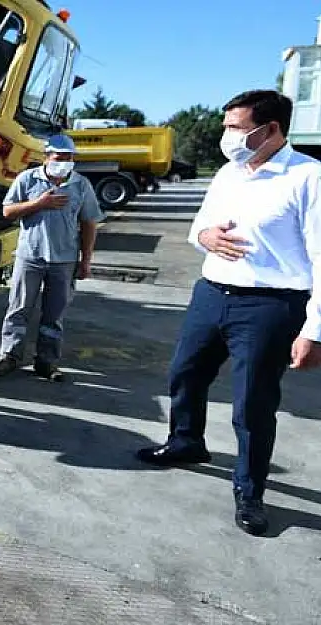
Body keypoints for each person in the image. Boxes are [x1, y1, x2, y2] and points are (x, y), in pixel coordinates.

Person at [136, 90, 321, 536]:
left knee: (252, 403)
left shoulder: (308, 178)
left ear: (271, 129)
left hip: (271, 305)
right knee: (186, 373)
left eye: (235, 127)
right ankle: (185, 441)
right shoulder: (228, 173)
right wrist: (206, 238)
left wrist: (314, 330)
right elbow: (199, 224)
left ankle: (250, 491)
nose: (226, 136)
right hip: (212, 292)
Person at [0, 133, 104, 382]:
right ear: (47, 157)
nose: (65, 162)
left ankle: (46, 362)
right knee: (18, 309)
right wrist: (39, 203)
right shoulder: (27, 179)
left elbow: (89, 223)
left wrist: (85, 261)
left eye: (69, 158)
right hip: (30, 256)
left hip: (64, 260)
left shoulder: (81, 185)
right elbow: (8, 211)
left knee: (54, 314)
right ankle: (9, 355)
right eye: (60, 157)